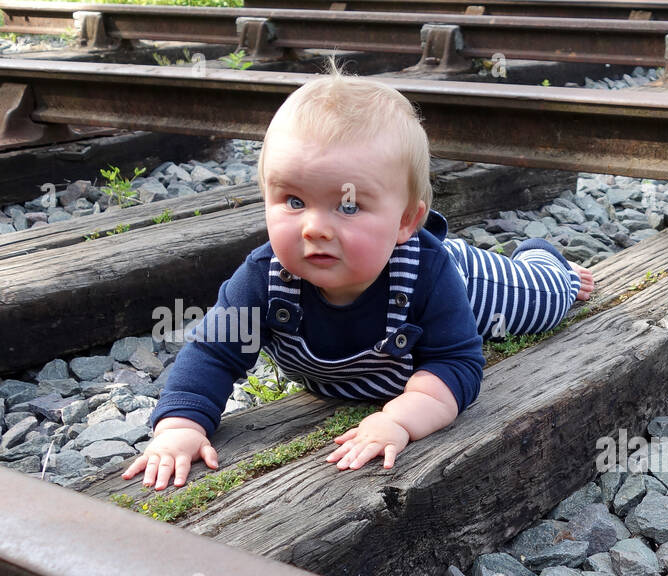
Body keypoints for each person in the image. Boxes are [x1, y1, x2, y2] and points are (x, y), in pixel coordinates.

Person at [122, 64, 594, 492]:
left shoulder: (429, 274)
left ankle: (547, 261)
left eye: (348, 205)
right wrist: (181, 425)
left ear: (406, 220)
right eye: (292, 200)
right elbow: (212, 352)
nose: (315, 227)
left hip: (467, 281)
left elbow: (457, 365)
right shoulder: (263, 279)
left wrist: (401, 418)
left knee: (543, 301)